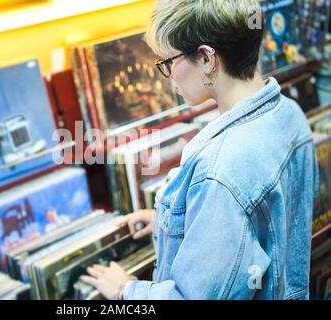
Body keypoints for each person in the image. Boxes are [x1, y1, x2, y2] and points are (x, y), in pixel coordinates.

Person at [80, 0, 318, 300]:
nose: (166, 78)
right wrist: (177, 222)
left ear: (206, 58)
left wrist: (125, 290)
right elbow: (261, 231)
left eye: (168, 62)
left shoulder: (219, 171)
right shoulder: (290, 114)